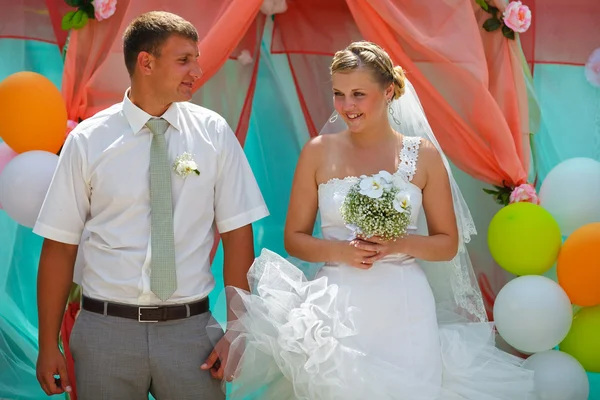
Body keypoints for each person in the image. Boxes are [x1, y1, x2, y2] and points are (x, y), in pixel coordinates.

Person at [216, 41, 536, 399]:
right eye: (339, 94)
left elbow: (447, 243)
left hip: (404, 306)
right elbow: (294, 238)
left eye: (358, 94)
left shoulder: (423, 156)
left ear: (388, 91)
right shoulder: (318, 151)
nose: (347, 106)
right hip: (336, 304)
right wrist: (343, 252)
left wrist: (398, 244)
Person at [33, 11, 268, 400]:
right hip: (104, 334)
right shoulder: (88, 140)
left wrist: (237, 332)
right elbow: (59, 245)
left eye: (196, 58)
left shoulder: (214, 134)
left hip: (193, 335)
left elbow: (238, 236)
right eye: (184, 60)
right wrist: (47, 345)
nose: (197, 69)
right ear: (146, 62)